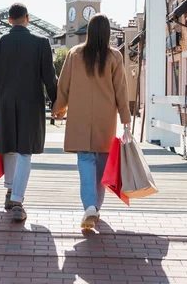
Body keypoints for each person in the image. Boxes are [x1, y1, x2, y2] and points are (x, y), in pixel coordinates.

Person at [52, 13, 131, 230]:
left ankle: (89, 207)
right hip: (105, 120)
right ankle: (95, 207)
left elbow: (64, 85)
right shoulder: (114, 57)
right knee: (101, 169)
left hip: (80, 119)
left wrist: (58, 108)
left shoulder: (75, 54)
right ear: (107, 33)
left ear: (88, 31)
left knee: (85, 163)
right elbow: (121, 91)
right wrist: (125, 118)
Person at [0, 3, 58, 222]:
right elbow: (49, 78)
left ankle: (9, 191)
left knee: (9, 148)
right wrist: (57, 103)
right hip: (30, 105)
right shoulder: (41, 43)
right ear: (27, 18)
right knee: (25, 152)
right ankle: (17, 199)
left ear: (8, 20)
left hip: (2, 104)